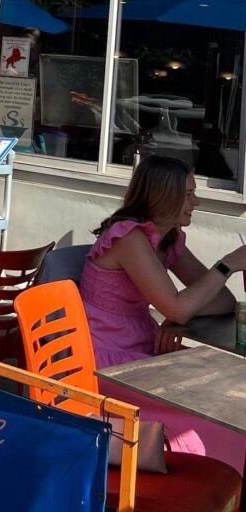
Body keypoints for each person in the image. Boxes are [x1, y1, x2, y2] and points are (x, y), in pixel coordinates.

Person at [81, 154, 246, 466]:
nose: (196, 201)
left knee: (222, 395)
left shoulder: (167, 239)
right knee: (216, 414)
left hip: (139, 348)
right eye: (188, 193)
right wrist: (228, 264)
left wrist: (173, 315)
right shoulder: (129, 238)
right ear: (162, 195)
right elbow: (183, 305)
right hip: (104, 360)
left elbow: (222, 301)